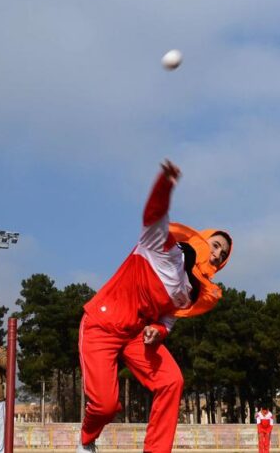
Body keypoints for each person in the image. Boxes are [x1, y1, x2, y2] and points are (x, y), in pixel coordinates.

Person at [77, 160, 232, 453]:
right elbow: (155, 213)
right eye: (214, 245)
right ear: (200, 239)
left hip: (137, 335)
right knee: (105, 405)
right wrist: (165, 183)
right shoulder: (162, 247)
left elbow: (168, 319)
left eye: (222, 255)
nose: (216, 255)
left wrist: (158, 331)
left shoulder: (192, 292)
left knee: (172, 381)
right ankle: (86, 439)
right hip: (102, 325)